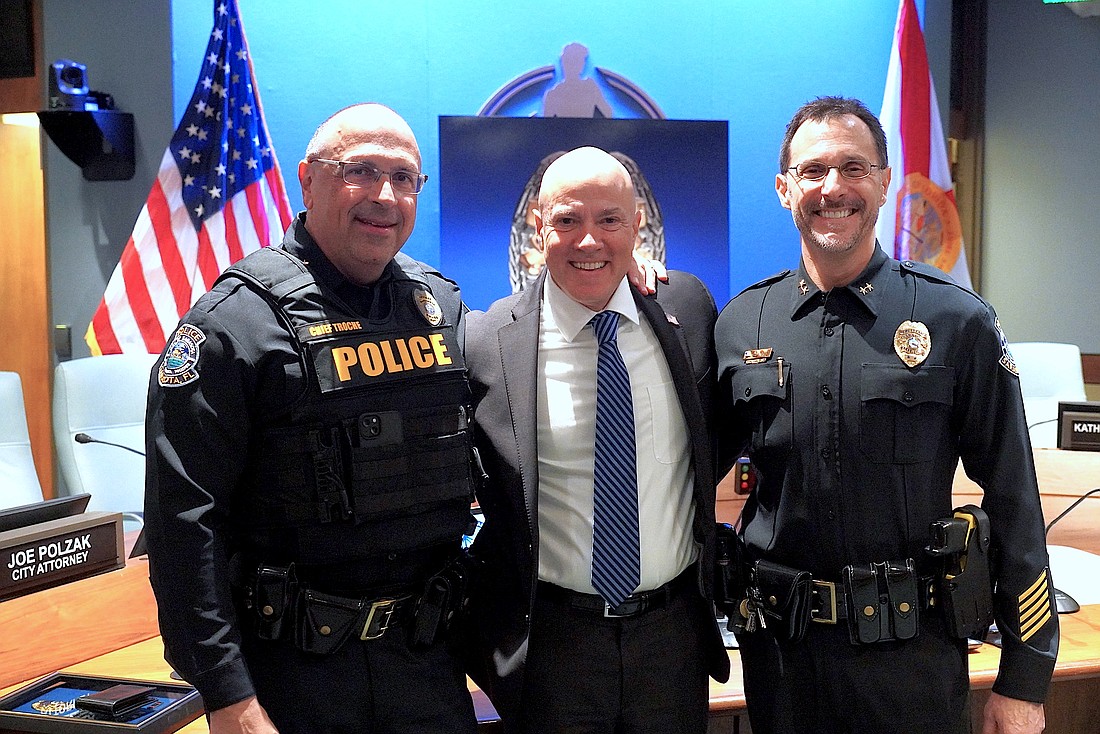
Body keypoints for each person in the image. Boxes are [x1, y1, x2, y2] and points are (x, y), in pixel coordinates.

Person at [714, 96, 1058, 734]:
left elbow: (1013, 495)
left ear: (883, 180)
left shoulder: (956, 321)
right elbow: (682, 474)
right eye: (813, 171)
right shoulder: (742, 323)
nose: (833, 188)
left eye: (853, 167)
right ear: (784, 189)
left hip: (911, 666)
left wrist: (1025, 677)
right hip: (783, 667)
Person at [144, 103, 482, 734]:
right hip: (295, 678)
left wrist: (626, 275)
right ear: (307, 179)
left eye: (404, 177)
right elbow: (184, 525)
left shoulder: (438, 306)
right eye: (360, 171)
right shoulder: (233, 324)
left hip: (427, 666)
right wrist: (227, 696)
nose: (384, 195)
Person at [464, 146, 730, 733]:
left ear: (637, 224)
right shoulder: (486, 343)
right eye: (568, 221)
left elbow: (722, 439)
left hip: (672, 643)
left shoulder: (687, 306)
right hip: (553, 648)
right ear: (539, 225)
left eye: (609, 220)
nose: (590, 241)